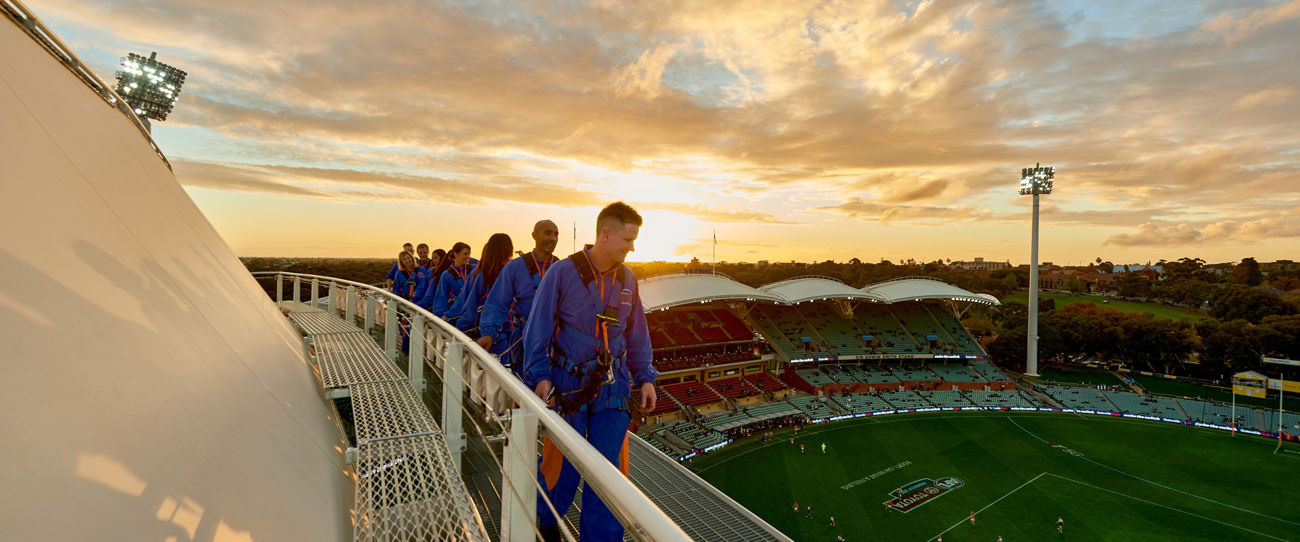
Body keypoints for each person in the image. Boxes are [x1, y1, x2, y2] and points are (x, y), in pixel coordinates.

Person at [523, 202, 656, 542]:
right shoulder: (563, 273)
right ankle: (546, 520)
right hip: (568, 387)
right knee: (562, 467)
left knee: (607, 475)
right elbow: (537, 330)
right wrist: (539, 376)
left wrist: (646, 378)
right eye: (628, 239)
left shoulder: (628, 280)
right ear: (606, 234)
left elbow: (636, 334)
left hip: (614, 389)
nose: (632, 247)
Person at [477, 220, 560, 376]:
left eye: (556, 234)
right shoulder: (515, 267)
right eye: (548, 233)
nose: (553, 238)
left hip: (552, 339)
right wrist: (488, 333)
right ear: (534, 235)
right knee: (523, 383)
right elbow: (497, 302)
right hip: (522, 339)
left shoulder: (561, 268)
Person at [451, 233, 514, 412]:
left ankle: (491, 415)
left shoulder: (480, 274)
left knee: (491, 379)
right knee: (508, 381)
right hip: (508, 336)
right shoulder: (511, 274)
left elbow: (468, 307)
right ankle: (505, 419)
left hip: (490, 334)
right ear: (508, 250)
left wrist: (458, 331)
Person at [430, 242, 473, 319]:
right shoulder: (447, 275)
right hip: (457, 315)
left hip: (475, 313)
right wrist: (439, 318)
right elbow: (441, 297)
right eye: (465, 254)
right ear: (456, 254)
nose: (468, 257)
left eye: (469, 254)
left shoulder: (474, 270)